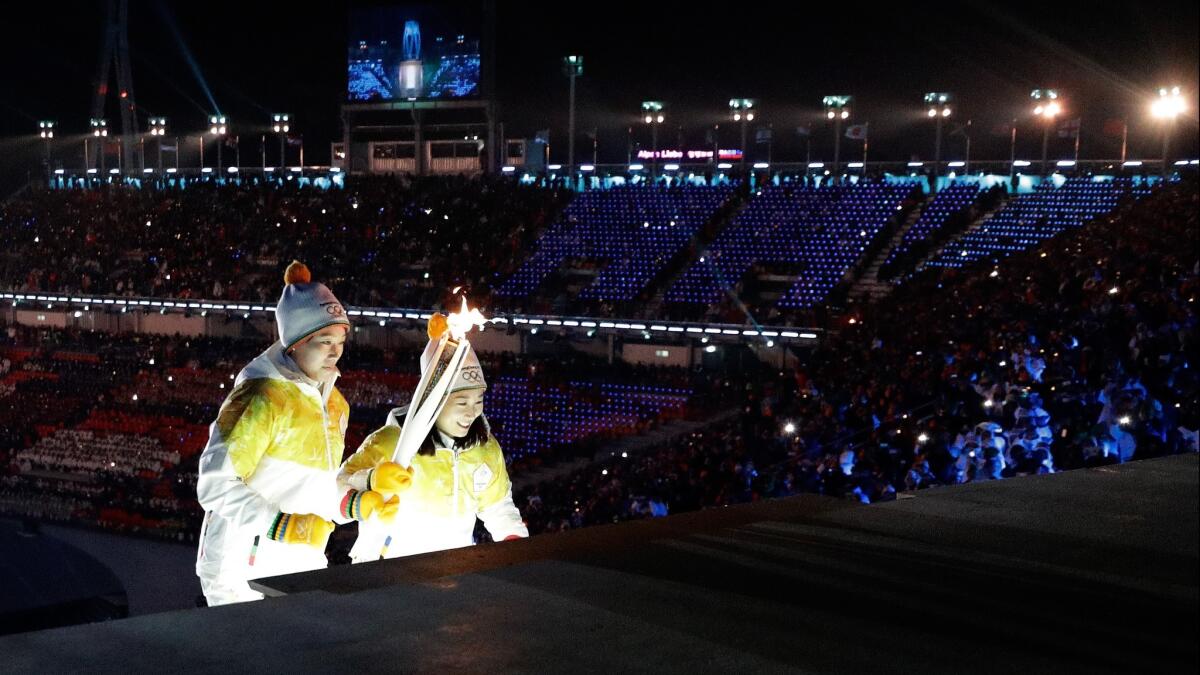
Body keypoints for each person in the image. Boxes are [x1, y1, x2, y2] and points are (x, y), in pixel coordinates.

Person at [195, 261, 395, 605]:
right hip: (240, 571)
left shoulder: (335, 405)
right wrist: (282, 526)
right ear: (295, 344)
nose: (336, 351)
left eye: (341, 340)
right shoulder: (261, 397)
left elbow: (315, 488)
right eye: (324, 340)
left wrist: (358, 501)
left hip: (301, 566)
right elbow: (215, 485)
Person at [340, 312, 527, 562]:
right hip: (394, 570)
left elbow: (498, 507)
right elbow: (337, 489)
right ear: (434, 401)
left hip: (458, 569)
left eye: (479, 400)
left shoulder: (485, 449)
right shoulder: (389, 442)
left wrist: (516, 547)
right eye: (462, 401)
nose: (472, 411)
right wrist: (372, 481)